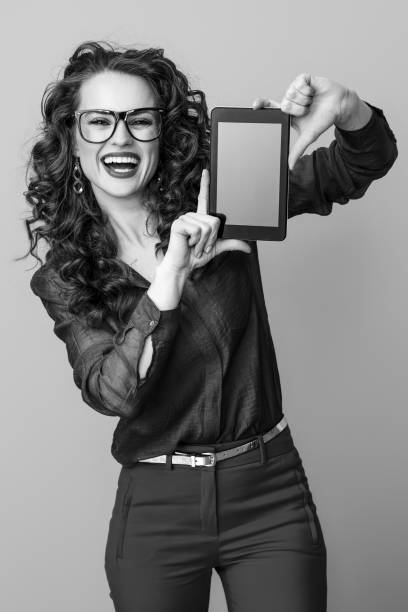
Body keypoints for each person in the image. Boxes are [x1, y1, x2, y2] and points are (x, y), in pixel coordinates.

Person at [24, 41, 398, 612]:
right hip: (157, 507)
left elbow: (362, 161)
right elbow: (112, 390)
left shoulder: (223, 198)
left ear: (161, 132)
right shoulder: (66, 275)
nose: (120, 139)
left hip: (268, 489)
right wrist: (169, 276)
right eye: (99, 122)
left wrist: (343, 107)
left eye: (139, 121)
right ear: (73, 141)